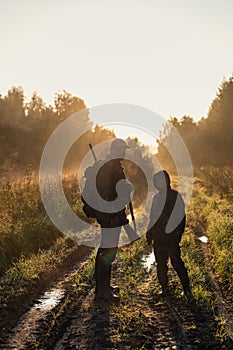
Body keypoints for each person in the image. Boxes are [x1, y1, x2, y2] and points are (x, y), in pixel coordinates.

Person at [82, 138, 134, 302]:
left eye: (125, 149)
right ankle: (103, 291)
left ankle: (104, 287)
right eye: (122, 149)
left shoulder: (115, 165)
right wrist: (111, 215)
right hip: (109, 215)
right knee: (107, 251)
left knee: (108, 251)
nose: (124, 152)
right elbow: (106, 195)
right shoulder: (109, 167)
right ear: (115, 150)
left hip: (113, 214)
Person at [146, 170, 191, 296]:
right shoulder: (156, 198)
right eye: (157, 181)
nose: (159, 183)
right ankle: (164, 288)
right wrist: (149, 233)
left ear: (167, 181)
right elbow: (153, 218)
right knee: (161, 264)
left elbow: (181, 217)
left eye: (161, 180)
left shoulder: (175, 196)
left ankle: (186, 288)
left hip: (171, 237)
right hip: (159, 237)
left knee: (176, 262)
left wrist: (178, 234)